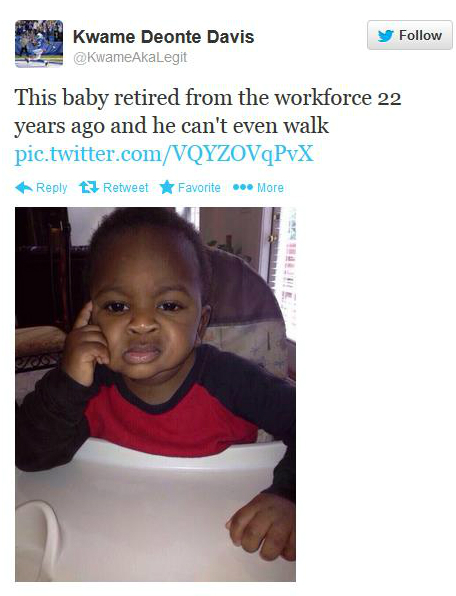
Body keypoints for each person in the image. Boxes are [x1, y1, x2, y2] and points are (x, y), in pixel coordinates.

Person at [16, 208, 295, 562]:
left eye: (169, 305)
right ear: (92, 317)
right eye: (117, 306)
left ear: (201, 324)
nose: (141, 322)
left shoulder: (232, 381)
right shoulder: (87, 385)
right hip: (115, 543)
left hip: (219, 545)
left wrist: (288, 494)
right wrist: (68, 382)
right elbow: (28, 455)